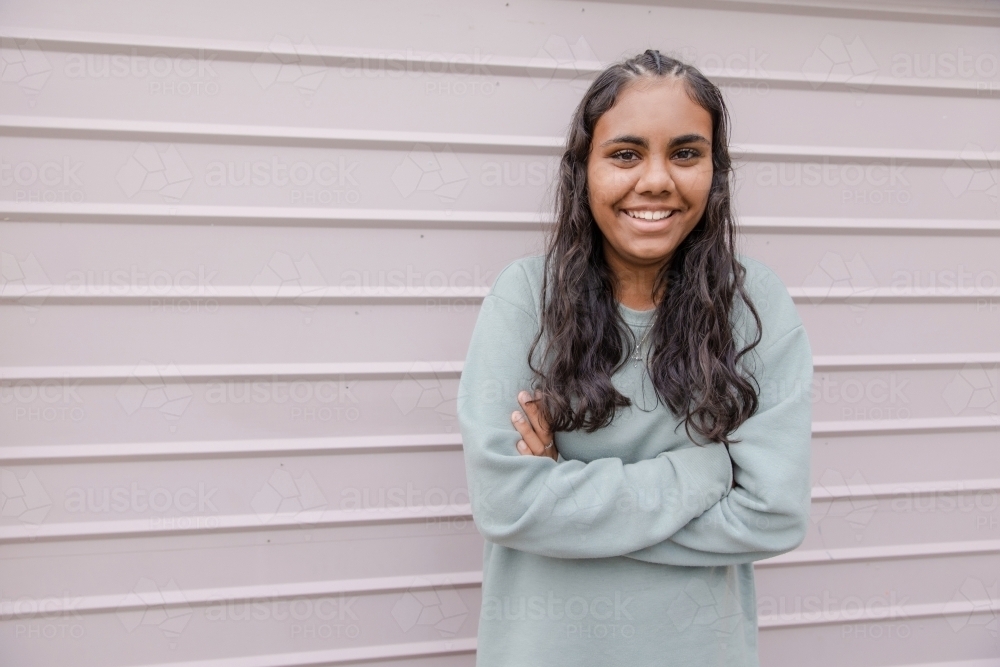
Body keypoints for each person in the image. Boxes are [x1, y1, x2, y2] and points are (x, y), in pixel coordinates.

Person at [457, 49, 813, 667]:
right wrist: (705, 474)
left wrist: (566, 501)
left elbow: (772, 514)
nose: (655, 180)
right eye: (625, 154)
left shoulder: (751, 305)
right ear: (583, 170)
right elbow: (507, 504)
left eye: (685, 153)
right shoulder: (525, 298)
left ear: (715, 169)